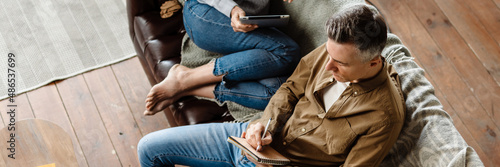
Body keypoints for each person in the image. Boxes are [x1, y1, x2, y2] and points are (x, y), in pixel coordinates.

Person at [137, 3, 405, 166]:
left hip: (283, 164)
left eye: (340, 64)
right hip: (249, 140)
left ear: (373, 63)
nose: (327, 66)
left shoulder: (384, 117)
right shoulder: (331, 52)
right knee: (148, 150)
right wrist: (263, 125)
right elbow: (289, 90)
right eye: (329, 55)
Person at [143, 0, 300, 115]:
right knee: (286, 51)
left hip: (249, 25)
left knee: (281, 95)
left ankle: (188, 88)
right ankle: (185, 77)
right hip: (206, 13)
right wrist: (232, 9)